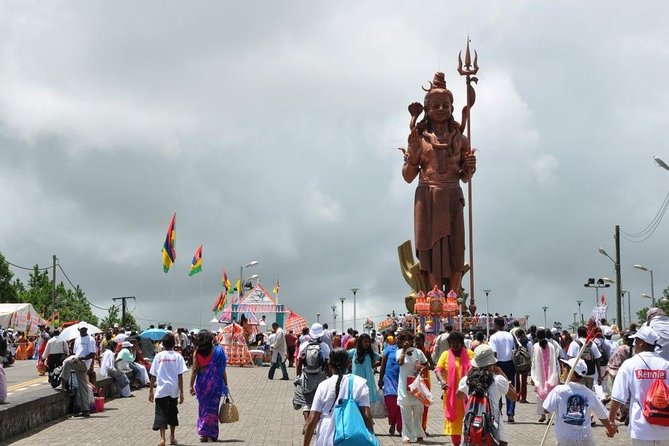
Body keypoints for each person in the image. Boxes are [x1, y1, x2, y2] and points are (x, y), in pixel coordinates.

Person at [402, 71, 477, 293]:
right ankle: (434, 295)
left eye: (446, 105)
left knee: (456, 248)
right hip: (427, 197)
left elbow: (463, 176)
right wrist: (414, 154)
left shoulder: (460, 140)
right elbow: (407, 177)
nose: (441, 109)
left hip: (453, 195)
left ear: (452, 108)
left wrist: (470, 168)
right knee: (429, 249)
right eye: (436, 106)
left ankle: (453, 296)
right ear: (427, 110)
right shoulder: (419, 138)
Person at [609, 325, 669, 445]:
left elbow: (617, 397)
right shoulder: (666, 365)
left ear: (641, 342)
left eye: (636, 340)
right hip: (665, 425)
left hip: (641, 426)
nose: (633, 344)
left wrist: (611, 421)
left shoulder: (629, 364)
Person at [303, 348, 375, 446]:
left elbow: (312, 419)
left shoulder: (323, 385)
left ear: (329, 365)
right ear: (348, 363)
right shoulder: (360, 383)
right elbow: (367, 416)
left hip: (326, 434)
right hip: (351, 433)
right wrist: (371, 438)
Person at [543, 358, 616, 446]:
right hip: (585, 439)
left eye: (565, 368)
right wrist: (609, 428)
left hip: (564, 440)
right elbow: (602, 414)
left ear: (571, 371)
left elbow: (546, 409)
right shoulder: (589, 393)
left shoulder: (559, 390)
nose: (563, 370)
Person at [456, 345, 517, 446]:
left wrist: (468, 375)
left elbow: (458, 396)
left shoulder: (466, 380)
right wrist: (503, 375)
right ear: (492, 363)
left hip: (470, 427)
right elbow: (514, 397)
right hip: (494, 429)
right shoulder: (498, 380)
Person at [434, 331, 474, 446]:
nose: (455, 344)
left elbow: (477, 367)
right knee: (455, 420)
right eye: (452, 342)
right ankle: (456, 443)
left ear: (462, 343)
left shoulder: (470, 354)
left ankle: (468, 441)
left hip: (468, 394)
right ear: (449, 343)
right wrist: (442, 381)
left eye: (457, 342)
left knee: (470, 418)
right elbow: (438, 370)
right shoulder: (445, 355)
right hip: (452, 395)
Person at [189, 330, 228, 443]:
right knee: (213, 409)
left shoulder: (197, 353)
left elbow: (195, 370)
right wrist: (225, 383)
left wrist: (190, 386)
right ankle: (212, 434)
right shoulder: (218, 352)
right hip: (215, 384)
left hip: (202, 384)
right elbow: (222, 370)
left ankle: (204, 434)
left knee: (203, 408)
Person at [149, 332, 187, 446]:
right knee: (172, 414)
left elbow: (153, 375)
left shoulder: (158, 356)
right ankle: (172, 437)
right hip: (173, 391)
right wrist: (181, 393)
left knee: (161, 415)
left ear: (163, 344)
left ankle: (162, 439)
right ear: (174, 344)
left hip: (161, 390)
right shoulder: (178, 356)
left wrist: (151, 391)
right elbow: (180, 375)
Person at [294, 323, 331, 431]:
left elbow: (300, 362)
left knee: (306, 401)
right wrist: (330, 375)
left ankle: (307, 422)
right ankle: (315, 425)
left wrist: (298, 375)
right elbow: (327, 362)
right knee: (318, 400)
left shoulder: (304, 345)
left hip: (306, 374)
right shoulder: (324, 346)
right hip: (320, 375)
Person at [397, 330, 429, 444]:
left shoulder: (418, 352)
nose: (407, 341)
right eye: (404, 339)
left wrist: (421, 369)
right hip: (404, 388)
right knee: (405, 414)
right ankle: (407, 437)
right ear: (400, 341)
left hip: (416, 387)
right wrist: (404, 350)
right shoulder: (399, 352)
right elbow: (400, 362)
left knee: (418, 412)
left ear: (412, 340)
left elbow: (427, 364)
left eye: (409, 339)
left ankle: (419, 434)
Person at [60, 323, 96, 417]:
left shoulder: (91, 339)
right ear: (79, 330)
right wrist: (72, 357)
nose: (84, 331)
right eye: (82, 329)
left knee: (68, 363)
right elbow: (75, 353)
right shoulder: (77, 339)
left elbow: (92, 354)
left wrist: (80, 358)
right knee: (83, 388)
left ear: (87, 329)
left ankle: (62, 384)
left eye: (85, 329)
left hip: (84, 363)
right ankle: (86, 410)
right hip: (77, 362)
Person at [488, 317, 517, 423]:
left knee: (497, 388)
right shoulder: (510, 335)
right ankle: (510, 414)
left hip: (498, 363)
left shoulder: (493, 337)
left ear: (495, 325)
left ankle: (498, 411)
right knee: (510, 387)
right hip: (510, 363)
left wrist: (493, 367)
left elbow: (494, 353)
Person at [531, 329, 559, 423]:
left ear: (537, 337)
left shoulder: (535, 346)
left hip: (540, 376)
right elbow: (554, 360)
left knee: (540, 394)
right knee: (550, 395)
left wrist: (533, 376)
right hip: (550, 375)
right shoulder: (551, 345)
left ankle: (543, 414)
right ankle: (550, 417)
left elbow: (534, 362)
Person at [348, 333, 381, 405]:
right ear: (360, 342)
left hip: (368, 381)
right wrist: (349, 365)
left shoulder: (370, 353)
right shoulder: (354, 352)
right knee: (357, 401)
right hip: (357, 381)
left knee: (367, 402)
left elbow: (382, 359)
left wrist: (373, 365)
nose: (367, 344)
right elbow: (343, 356)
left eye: (368, 342)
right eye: (365, 341)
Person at [378, 335, 402, 436]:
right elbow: (383, 365)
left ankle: (400, 427)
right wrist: (380, 379)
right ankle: (392, 423)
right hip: (389, 380)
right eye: (401, 338)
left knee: (401, 405)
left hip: (402, 381)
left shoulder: (410, 351)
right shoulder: (389, 349)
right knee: (391, 403)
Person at [567, 326, 602, 391]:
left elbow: (570, 360)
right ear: (586, 333)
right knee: (588, 394)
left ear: (578, 333)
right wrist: (599, 376)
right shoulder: (592, 344)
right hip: (590, 373)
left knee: (579, 394)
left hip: (578, 374)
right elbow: (597, 359)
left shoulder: (573, 344)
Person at [415, 332, 435, 433]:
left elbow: (432, 366)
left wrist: (425, 367)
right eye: (416, 340)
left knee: (424, 405)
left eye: (419, 340)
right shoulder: (412, 352)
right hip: (414, 381)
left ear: (423, 341)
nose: (417, 342)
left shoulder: (426, 352)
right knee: (415, 404)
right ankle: (415, 428)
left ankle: (423, 428)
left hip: (425, 381)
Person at [512, 328, 533, 404]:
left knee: (517, 380)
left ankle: (517, 396)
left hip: (517, 363)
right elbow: (531, 354)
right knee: (524, 381)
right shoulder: (528, 343)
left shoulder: (516, 342)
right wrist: (531, 363)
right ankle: (523, 398)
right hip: (525, 364)